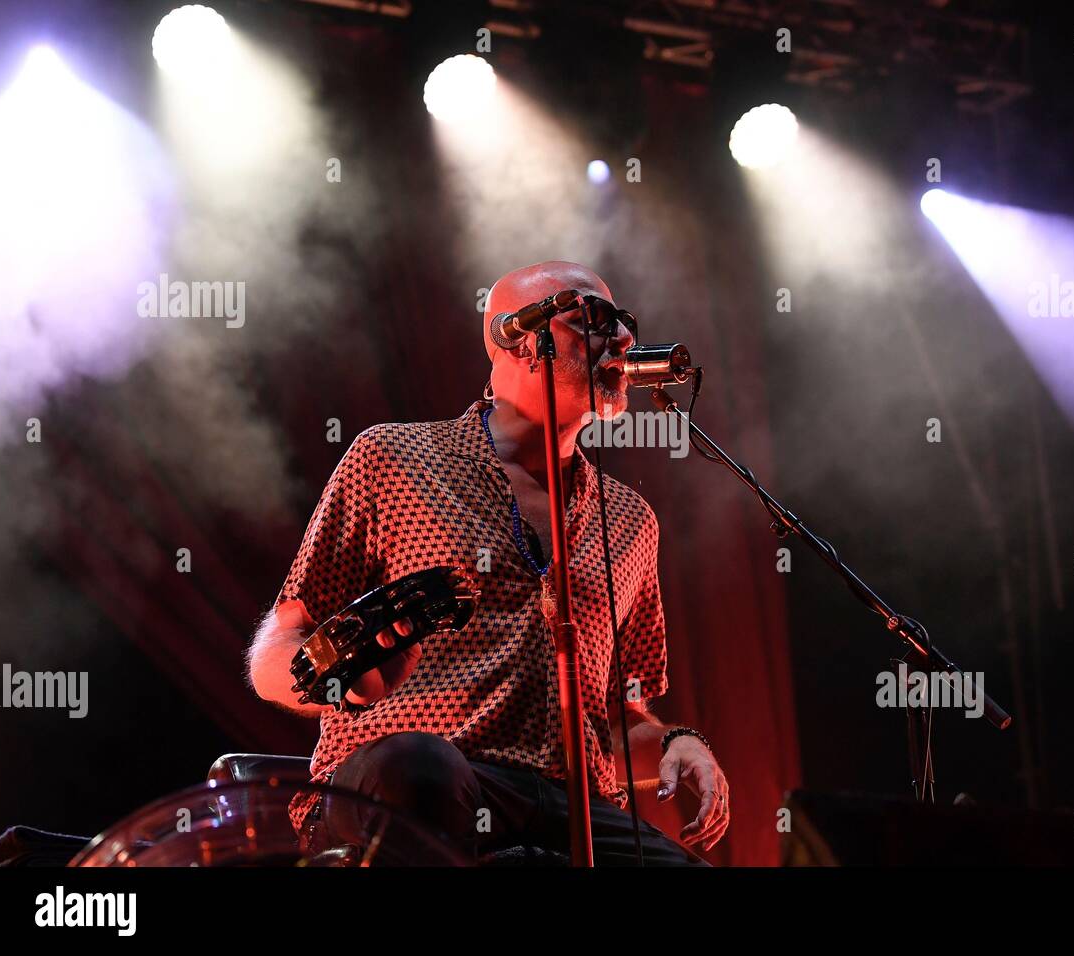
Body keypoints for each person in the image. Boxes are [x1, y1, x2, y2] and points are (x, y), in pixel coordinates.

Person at [246, 260, 728, 865]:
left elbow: (615, 719)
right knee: (420, 769)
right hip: (416, 781)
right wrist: (336, 673)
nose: (625, 340)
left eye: (625, 322)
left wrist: (677, 742)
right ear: (517, 338)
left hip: (567, 805)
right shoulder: (392, 458)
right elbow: (283, 643)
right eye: (595, 319)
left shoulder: (630, 521)